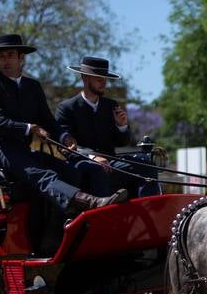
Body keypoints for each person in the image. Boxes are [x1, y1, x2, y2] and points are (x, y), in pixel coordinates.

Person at [0, 35, 127, 216]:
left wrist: (64, 136)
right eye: (1, 56)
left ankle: (66, 225)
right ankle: (91, 202)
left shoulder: (32, 86)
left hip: (28, 147)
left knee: (71, 172)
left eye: (10, 55)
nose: (5, 60)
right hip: (0, 148)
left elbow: (47, 120)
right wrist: (29, 128)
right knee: (41, 174)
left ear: (21, 58)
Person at [56, 56, 160, 196]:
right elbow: (66, 146)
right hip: (82, 163)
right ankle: (103, 213)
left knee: (146, 165)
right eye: (99, 79)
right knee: (98, 170)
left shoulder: (110, 105)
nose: (104, 83)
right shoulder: (67, 108)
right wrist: (92, 157)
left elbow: (121, 142)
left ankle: (148, 210)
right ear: (85, 78)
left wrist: (122, 126)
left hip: (112, 162)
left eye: (105, 79)